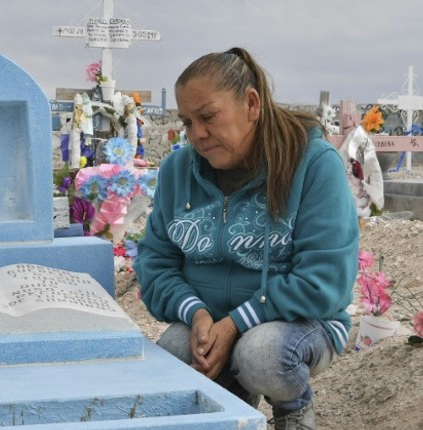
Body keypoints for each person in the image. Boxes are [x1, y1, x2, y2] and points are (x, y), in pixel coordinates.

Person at [134, 47, 358, 430]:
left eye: (207, 117)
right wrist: (197, 314)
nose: (197, 135)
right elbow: (155, 262)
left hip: (299, 325)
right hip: (210, 318)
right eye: (187, 122)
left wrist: (235, 324)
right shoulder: (177, 171)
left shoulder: (312, 164)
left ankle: (293, 410)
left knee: (262, 356)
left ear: (251, 104)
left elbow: (325, 279)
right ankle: (234, 402)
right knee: (173, 355)